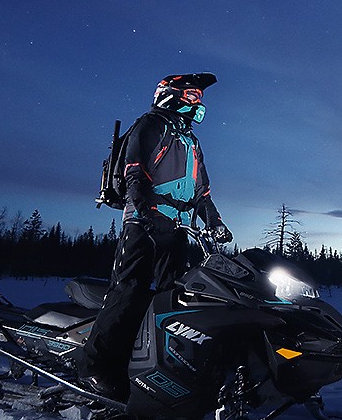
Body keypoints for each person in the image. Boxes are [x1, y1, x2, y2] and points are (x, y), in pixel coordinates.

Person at [77, 72, 232, 400]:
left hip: (177, 232)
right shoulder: (151, 125)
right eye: (192, 96)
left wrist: (215, 222)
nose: (198, 103)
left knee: (171, 299)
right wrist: (147, 213)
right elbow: (135, 173)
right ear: (170, 94)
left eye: (199, 98)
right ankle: (96, 367)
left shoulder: (190, 140)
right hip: (144, 225)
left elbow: (202, 191)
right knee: (129, 291)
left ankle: (160, 370)